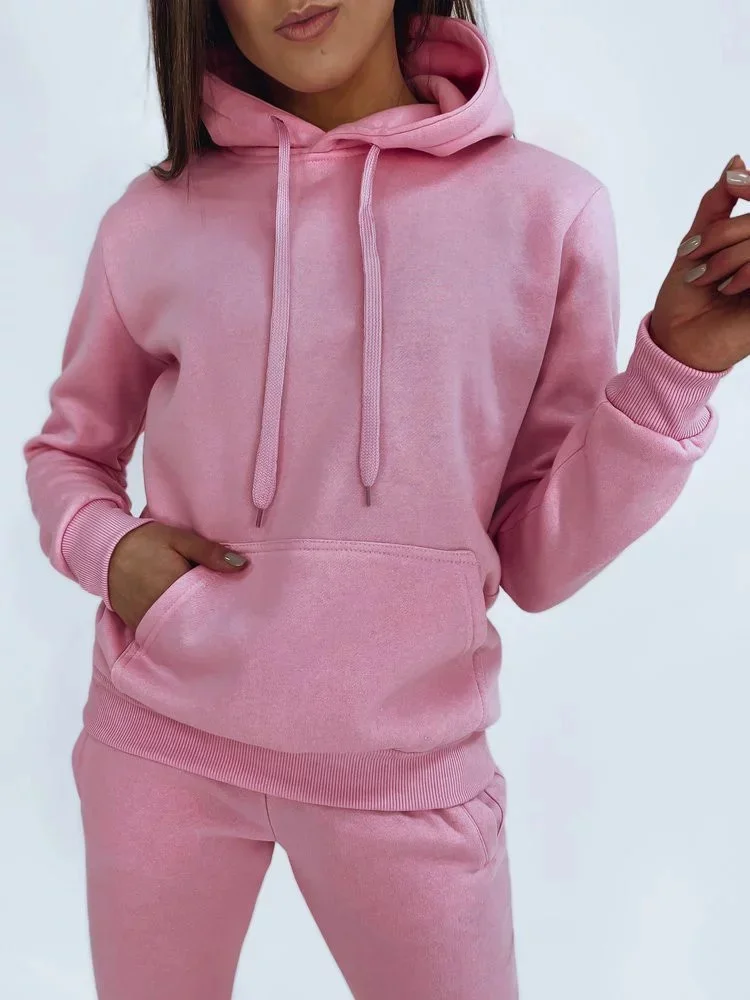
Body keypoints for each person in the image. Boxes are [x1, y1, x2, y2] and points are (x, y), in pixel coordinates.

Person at [22, 0, 750, 997]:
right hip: (159, 747)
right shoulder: (152, 218)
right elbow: (69, 454)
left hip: (407, 772)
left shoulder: (550, 212)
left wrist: (673, 371)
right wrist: (113, 556)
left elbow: (537, 560)